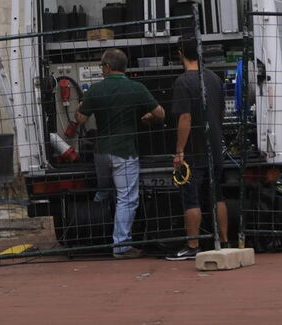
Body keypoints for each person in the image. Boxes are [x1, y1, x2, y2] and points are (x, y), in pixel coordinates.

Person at [72, 49, 164, 259]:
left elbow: (81, 119)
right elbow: (160, 113)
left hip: (101, 153)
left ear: (107, 67)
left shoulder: (95, 90)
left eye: (101, 66)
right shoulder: (136, 88)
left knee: (104, 191)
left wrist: (80, 107)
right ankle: (121, 245)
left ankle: (91, 233)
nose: (100, 69)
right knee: (127, 198)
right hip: (125, 152)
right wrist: (147, 116)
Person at [165, 37, 229, 261]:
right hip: (214, 144)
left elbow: (185, 117)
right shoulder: (214, 78)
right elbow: (221, 113)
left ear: (180, 52)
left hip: (193, 148)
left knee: (190, 198)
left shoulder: (182, 82)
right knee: (216, 196)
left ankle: (193, 245)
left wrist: (179, 150)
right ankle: (225, 241)